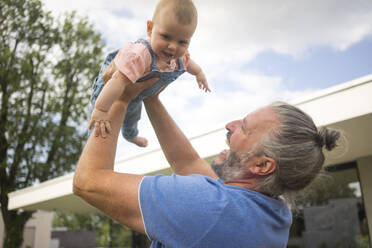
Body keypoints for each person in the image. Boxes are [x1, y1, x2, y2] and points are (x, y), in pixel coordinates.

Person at [73, 77, 341, 247]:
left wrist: (121, 96)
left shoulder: (210, 209)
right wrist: (150, 95)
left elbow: (88, 181)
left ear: (261, 165)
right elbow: (187, 162)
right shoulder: (273, 213)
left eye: (243, 128)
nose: (230, 124)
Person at [89, 0, 210, 147]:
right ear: (150, 28)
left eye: (182, 42)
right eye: (166, 36)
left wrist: (199, 73)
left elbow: (188, 63)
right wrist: (101, 109)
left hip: (137, 92)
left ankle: (130, 135)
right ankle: (94, 142)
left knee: (133, 116)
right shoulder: (140, 55)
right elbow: (117, 81)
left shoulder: (179, 57)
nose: (172, 47)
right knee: (100, 126)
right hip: (110, 86)